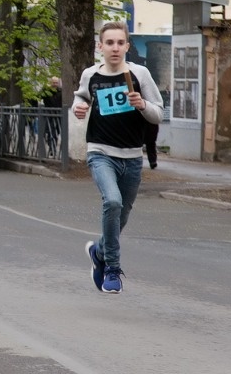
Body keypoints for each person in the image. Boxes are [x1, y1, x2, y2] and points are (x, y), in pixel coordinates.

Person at [72, 21, 163, 294]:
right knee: (111, 201)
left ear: (127, 46)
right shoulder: (91, 74)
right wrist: (79, 108)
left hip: (132, 157)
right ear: (100, 46)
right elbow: (81, 99)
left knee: (121, 215)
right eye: (109, 43)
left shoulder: (139, 74)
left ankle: (100, 250)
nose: (114, 48)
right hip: (100, 152)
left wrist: (142, 105)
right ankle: (112, 267)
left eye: (119, 43)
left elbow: (158, 113)